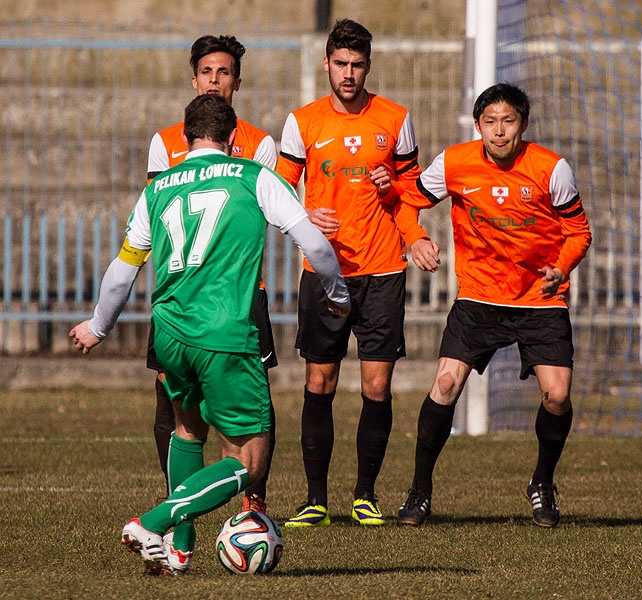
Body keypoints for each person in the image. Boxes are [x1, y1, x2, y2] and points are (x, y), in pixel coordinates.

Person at [69, 94, 350, 575]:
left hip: (171, 333)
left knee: (188, 429)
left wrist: (97, 325)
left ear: (185, 136)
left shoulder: (158, 189)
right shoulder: (252, 176)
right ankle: (153, 521)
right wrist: (338, 293)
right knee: (251, 461)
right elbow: (314, 243)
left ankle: (179, 551)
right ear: (234, 137)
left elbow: (123, 270)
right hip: (225, 334)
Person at [392, 83, 592, 528]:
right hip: (479, 297)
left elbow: (579, 232)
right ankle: (419, 490)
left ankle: (542, 482)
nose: (499, 132)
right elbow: (407, 204)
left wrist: (561, 268)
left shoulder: (551, 169)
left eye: (509, 122)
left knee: (556, 396)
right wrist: (415, 238)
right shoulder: (454, 162)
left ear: (522, 125)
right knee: (444, 384)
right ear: (478, 125)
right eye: (490, 122)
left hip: (540, 299)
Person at [275, 18, 437, 527]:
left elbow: (412, 194)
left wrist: (395, 193)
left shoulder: (396, 118)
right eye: (340, 64)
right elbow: (277, 193)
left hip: (384, 270)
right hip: (325, 271)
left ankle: (364, 495)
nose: (348, 73)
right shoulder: (302, 122)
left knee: (376, 387)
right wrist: (304, 215)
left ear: (369, 66)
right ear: (326, 64)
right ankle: (315, 499)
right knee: (319, 383)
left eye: (358, 65)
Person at [146, 35, 280, 520]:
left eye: (224, 73)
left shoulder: (260, 143)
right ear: (194, 77)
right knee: (175, 406)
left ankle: (251, 503)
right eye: (207, 71)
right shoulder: (165, 142)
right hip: (180, 296)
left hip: (239, 296)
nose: (215, 80)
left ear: (237, 82)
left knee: (253, 403)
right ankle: (177, 506)